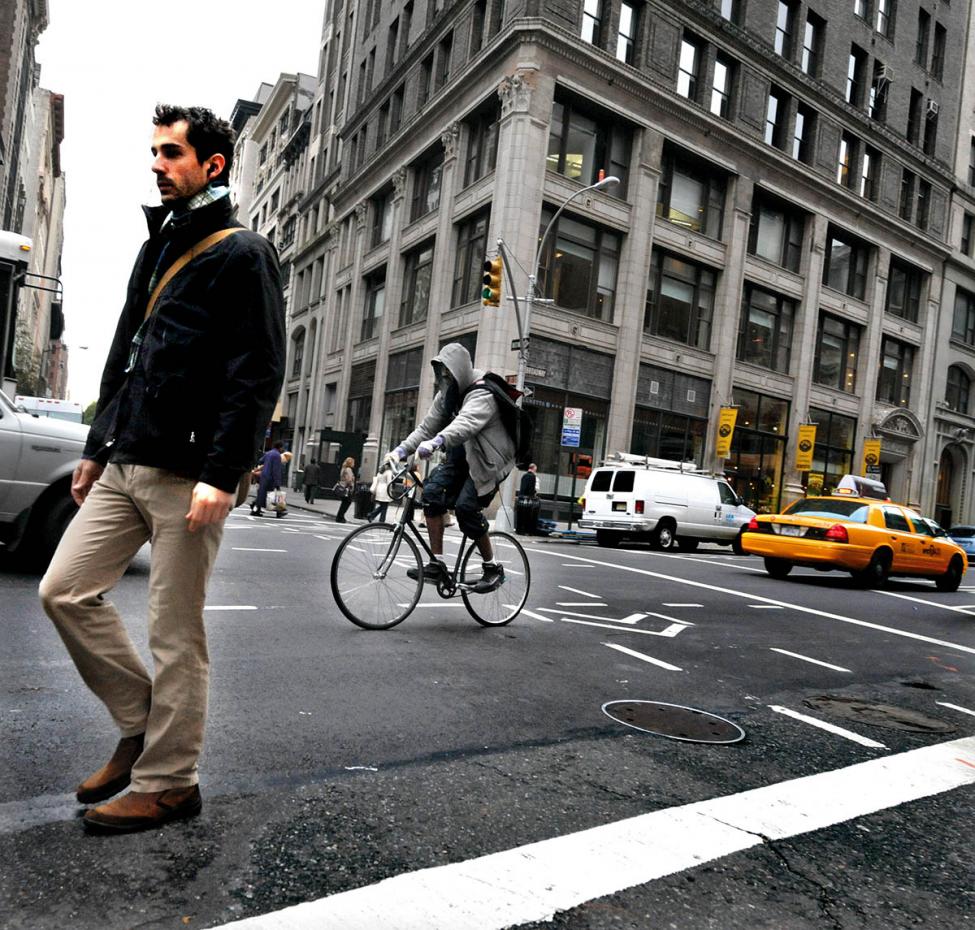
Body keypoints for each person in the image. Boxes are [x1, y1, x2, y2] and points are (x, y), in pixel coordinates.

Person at [38, 104, 285, 833]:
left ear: (211, 165)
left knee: (175, 634)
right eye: (154, 151)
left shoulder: (244, 252)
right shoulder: (159, 243)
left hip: (187, 472)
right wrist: (95, 445)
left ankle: (171, 780)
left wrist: (223, 470)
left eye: (171, 153)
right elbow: (127, 348)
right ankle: (145, 725)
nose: (156, 163)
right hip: (128, 457)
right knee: (64, 591)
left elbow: (257, 370)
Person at [386, 343, 515, 593]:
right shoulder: (447, 395)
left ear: (460, 371)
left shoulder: (483, 392)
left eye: (449, 373)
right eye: (441, 373)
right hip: (461, 456)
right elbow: (426, 427)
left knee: (467, 508)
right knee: (432, 494)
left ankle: (492, 568)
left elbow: (466, 424)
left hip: (488, 462)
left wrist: (438, 441)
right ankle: (437, 563)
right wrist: (400, 450)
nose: (445, 379)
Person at [252, 441, 284, 517]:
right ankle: (280, 511)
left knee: (262, 494)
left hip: (263, 476)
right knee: (277, 495)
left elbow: (260, 461)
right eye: (282, 447)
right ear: (279, 447)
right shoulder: (277, 455)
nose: (283, 449)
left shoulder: (268, 453)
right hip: (270, 478)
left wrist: (266, 464)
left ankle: (256, 509)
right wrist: (277, 483)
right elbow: (276, 470)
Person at [334, 457, 356, 523]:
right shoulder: (348, 469)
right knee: (347, 503)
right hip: (347, 488)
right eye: (353, 462)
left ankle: (340, 516)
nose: (354, 464)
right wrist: (351, 484)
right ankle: (340, 517)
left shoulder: (343, 468)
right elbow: (349, 479)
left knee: (344, 503)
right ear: (350, 463)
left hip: (343, 487)